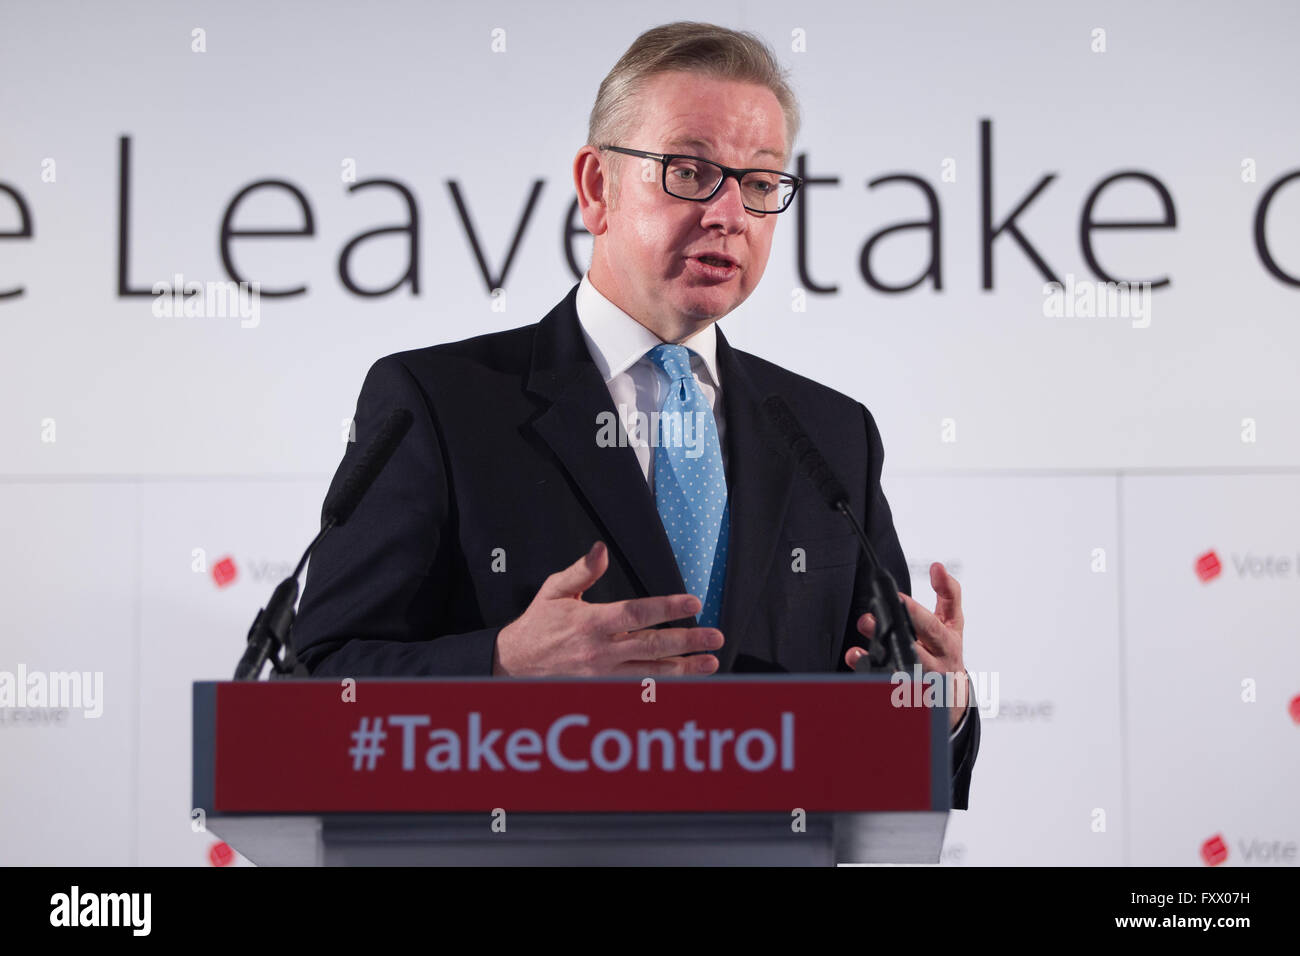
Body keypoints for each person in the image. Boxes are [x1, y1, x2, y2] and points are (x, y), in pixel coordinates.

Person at [291, 21, 979, 807]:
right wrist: (500, 666)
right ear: (596, 187)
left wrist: (941, 707)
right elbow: (317, 683)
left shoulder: (830, 435)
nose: (730, 214)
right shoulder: (440, 403)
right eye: (690, 171)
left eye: (759, 184)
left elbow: (890, 726)